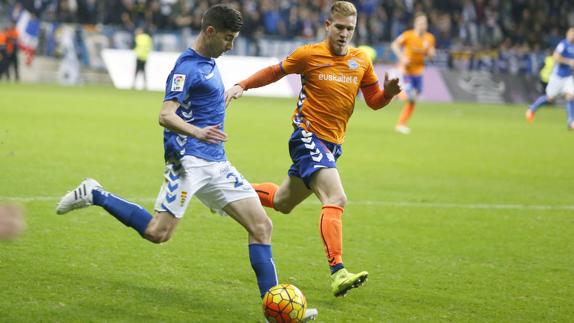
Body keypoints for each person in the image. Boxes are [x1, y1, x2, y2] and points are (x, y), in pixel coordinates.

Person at [55, 5, 317, 320]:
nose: (231, 45)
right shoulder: (186, 68)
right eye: (228, 38)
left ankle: (275, 311)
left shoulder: (209, 61)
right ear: (210, 32)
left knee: (262, 226)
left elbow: (202, 105)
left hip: (217, 164)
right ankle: (96, 193)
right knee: (157, 233)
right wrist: (198, 132)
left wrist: (227, 97)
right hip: (187, 163)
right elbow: (165, 115)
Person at [225, 1, 401, 298]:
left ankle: (224, 189)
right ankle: (338, 272)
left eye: (350, 29)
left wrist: (389, 95)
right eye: (340, 27)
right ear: (327, 26)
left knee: (282, 202)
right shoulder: (309, 55)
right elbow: (275, 71)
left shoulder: (361, 61)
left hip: (332, 145)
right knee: (336, 197)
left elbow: (373, 101)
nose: (344, 33)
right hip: (307, 137)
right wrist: (242, 85)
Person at [390, 13, 436, 134]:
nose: (423, 25)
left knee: (413, 99)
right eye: (420, 23)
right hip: (406, 71)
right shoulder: (408, 35)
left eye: (425, 23)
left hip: (419, 72)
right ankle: (397, 95)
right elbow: (394, 45)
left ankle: (401, 124)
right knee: (410, 97)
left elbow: (431, 55)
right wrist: (401, 57)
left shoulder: (429, 38)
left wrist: (431, 55)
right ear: (416, 24)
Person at [526, 27, 574, 129]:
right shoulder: (563, 44)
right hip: (558, 76)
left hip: (568, 77)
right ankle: (532, 108)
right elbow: (556, 56)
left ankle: (571, 122)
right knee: (550, 98)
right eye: (571, 33)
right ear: (567, 34)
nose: (572, 35)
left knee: (571, 96)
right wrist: (569, 62)